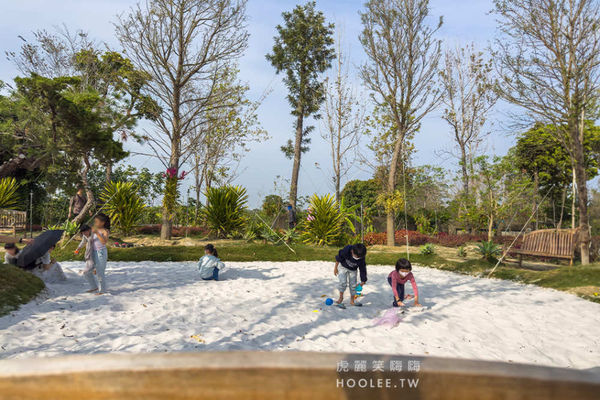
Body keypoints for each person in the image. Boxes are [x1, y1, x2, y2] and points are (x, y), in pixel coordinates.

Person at [333, 243, 367, 308]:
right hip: (343, 267)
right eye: (356, 256)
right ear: (352, 251)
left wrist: (363, 280)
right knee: (343, 283)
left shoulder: (361, 256)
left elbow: (363, 268)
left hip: (353, 270)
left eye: (359, 257)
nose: (358, 258)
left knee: (353, 285)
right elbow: (339, 258)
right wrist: (335, 268)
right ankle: (341, 298)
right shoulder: (347, 250)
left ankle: (352, 301)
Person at [83, 213, 110, 295]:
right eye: (94, 222)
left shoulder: (105, 231)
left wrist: (97, 233)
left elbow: (104, 242)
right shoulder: (94, 229)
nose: (95, 223)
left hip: (101, 253)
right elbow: (87, 238)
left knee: (100, 272)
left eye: (96, 222)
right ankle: (94, 287)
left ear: (102, 222)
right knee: (87, 272)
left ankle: (102, 290)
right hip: (93, 252)